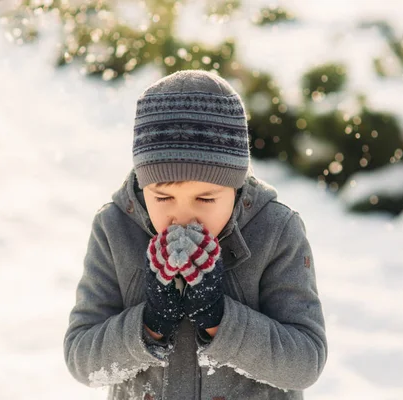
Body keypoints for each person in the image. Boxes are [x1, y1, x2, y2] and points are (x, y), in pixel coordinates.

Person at [63, 69, 327, 400]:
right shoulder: (114, 229)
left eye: (205, 199)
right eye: (162, 197)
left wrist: (220, 319)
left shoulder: (274, 230)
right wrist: (149, 325)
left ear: (236, 185)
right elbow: (81, 359)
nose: (184, 215)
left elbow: (305, 362)